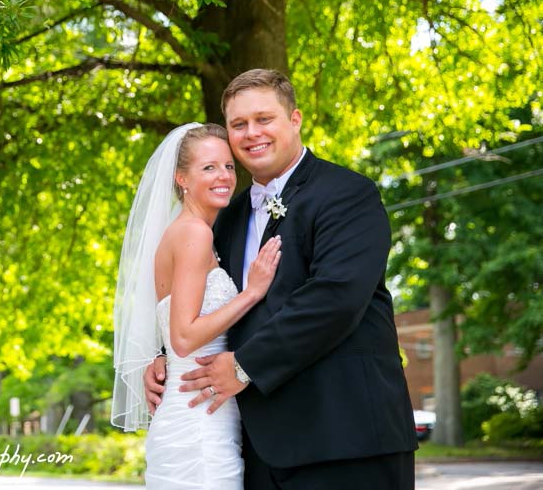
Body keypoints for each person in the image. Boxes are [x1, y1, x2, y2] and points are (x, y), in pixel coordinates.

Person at [144, 69, 417, 489]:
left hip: (344, 440)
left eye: (263, 119)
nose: (252, 133)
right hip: (253, 450)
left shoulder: (347, 193)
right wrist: (166, 357)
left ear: (294, 120)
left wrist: (242, 365)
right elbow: (200, 300)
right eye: (239, 124)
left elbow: (336, 300)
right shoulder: (226, 219)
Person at [111, 122, 282, 488]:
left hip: (198, 407)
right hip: (197, 421)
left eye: (228, 166)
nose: (223, 176)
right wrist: (251, 293)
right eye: (208, 167)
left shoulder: (188, 231)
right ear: (181, 178)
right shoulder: (194, 233)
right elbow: (184, 337)